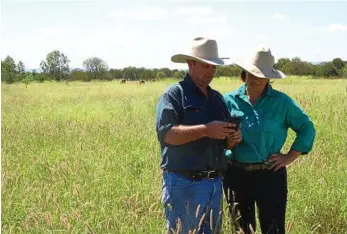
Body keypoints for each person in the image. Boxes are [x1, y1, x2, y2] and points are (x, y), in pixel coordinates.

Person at [222, 48, 316, 234]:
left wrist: (289, 157)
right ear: (244, 73)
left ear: (269, 77)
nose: (256, 78)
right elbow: (218, 140)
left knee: (273, 229)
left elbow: (307, 128)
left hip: (270, 175)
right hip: (235, 174)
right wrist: (229, 141)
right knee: (241, 229)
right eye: (253, 73)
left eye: (262, 74)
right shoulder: (227, 100)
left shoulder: (282, 102)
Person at [155, 37, 242, 234]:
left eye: (213, 67)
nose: (210, 72)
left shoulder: (217, 99)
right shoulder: (174, 95)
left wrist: (232, 138)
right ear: (190, 63)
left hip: (213, 184)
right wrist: (205, 129)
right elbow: (167, 134)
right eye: (205, 66)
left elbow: (225, 145)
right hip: (184, 184)